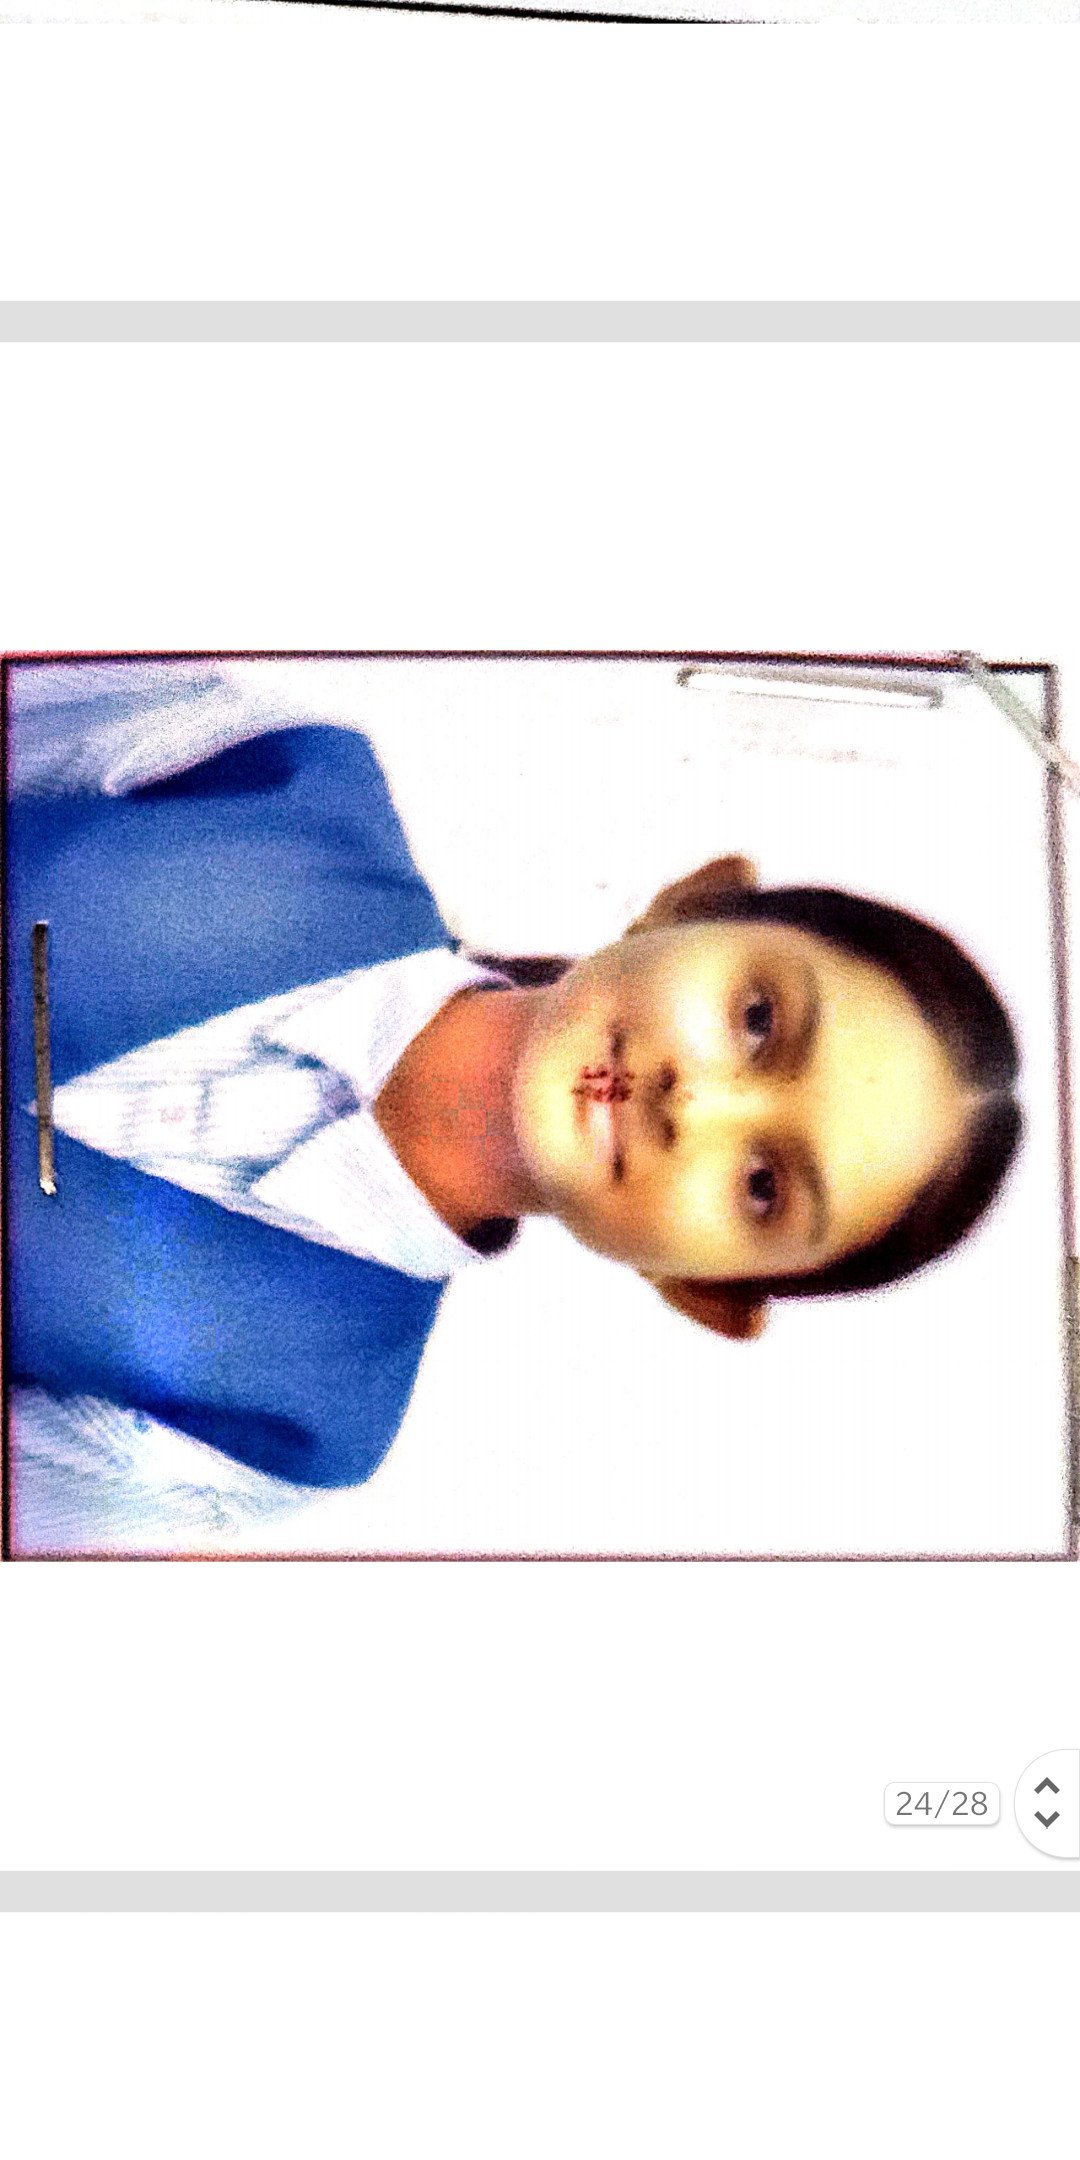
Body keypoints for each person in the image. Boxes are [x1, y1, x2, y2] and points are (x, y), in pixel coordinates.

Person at [6, 718, 1021, 1497]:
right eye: (757, 1020)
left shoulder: (296, 1436)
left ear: (704, 1287)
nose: (698, 1101)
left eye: (763, 1184)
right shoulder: (281, 760)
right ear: (692, 904)